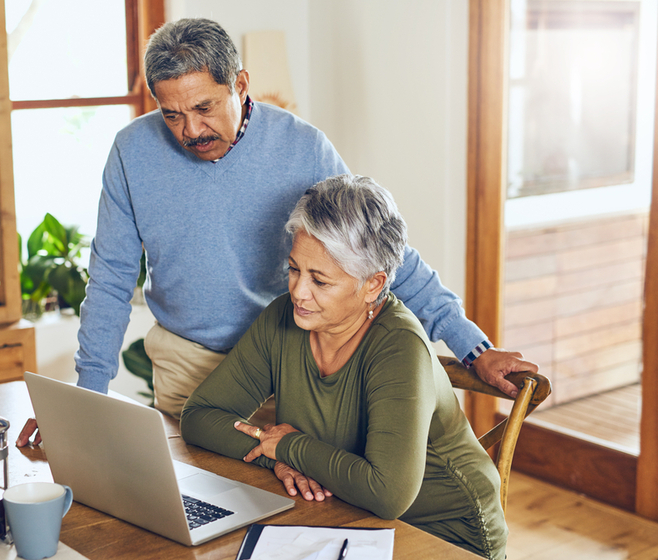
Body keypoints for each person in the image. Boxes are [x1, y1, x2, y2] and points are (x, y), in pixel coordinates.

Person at [16, 17, 535, 446]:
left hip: (288, 358)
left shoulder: (303, 148)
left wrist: (473, 347)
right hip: (186, 366)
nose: (190, 131)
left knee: (299, 509)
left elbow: (381, 254)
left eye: (204, 108)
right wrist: (85, 403)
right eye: (171, 114)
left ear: (240, 85)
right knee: (200, 510)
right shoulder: (132, 153)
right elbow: (108, 281)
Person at [181, 174, 508, 559]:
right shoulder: (282, 319)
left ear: (373, 284)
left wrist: (289, 445)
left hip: (444, 534)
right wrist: (275, 456)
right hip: (344, 512)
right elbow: (200, 417)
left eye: (320, 280)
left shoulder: (399, 348)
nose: (299, 292)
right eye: (294, 269)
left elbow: (387, 495)